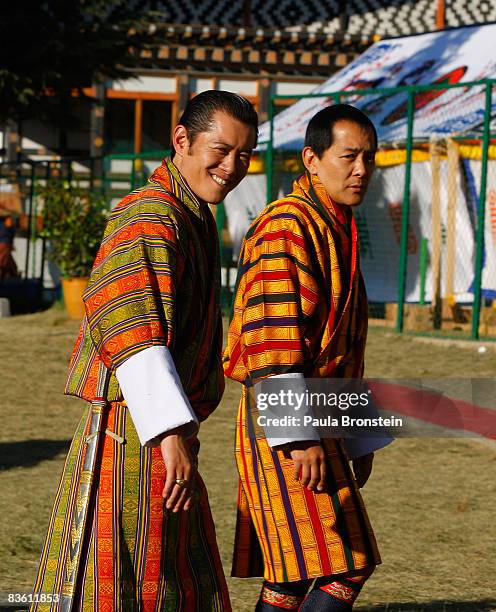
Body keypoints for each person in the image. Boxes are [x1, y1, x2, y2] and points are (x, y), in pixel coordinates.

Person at [30, 90, 258, 612]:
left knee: (168, 576)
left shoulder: (191, 212)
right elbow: (130, 325)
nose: (231, 167)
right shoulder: (150, 216)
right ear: (182, 140)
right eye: (220, 150)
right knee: (118, 584)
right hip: (136, 435)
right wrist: (170, 432)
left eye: (244, 155)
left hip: (164, 433)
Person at [224, 104, 385, 611]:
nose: (361, 169)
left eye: (369, 158)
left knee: (295, 573)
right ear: (312, 159)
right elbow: (273, 336)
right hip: (287, 423)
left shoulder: (336, 223)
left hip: (320, 417)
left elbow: (346, 346)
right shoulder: (286, 226)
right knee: (347, 562)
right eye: (349, 156)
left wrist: (356, 435)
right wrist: (300, 439)